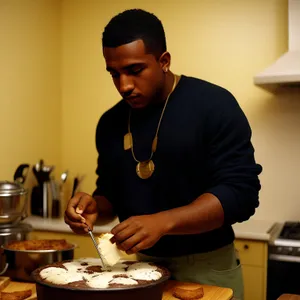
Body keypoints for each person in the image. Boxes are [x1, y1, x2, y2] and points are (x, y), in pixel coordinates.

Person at [64, 8, 262, 300]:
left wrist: (163, 221)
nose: (124, 86)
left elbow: (241, 194)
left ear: (164, 61)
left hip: (208, 267)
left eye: (134, 70)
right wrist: (94, 206)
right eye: (114, 73)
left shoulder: (214, 105)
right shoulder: (109, 123)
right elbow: (111, 194)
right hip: (141, 267)